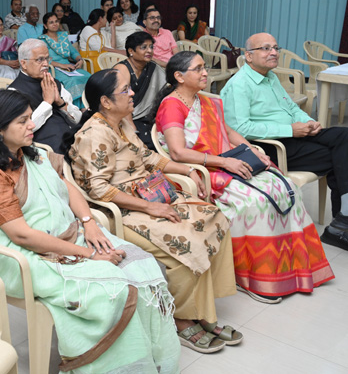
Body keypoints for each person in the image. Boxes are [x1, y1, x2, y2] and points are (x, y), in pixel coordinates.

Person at [0, 89, 180, 372]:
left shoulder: (30, 153)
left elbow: (66, 188)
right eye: (22, 121)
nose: (32, 125)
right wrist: (88, 254)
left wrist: (88, 223)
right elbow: (21, 235)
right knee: (111, 288)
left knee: (143, 268)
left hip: (65, 232)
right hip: (16, 252)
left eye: (30, 118)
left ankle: (149, 361)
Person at [68, 69, 239, 354]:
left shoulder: (122, 123)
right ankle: (182, 318)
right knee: (184, 241)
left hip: (148, 194)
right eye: (125, 90)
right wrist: (150, 207)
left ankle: (203, 309)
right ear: (106, 102)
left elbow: (148, 157)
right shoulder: (94, 133)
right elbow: (98, 189)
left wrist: (188, 169)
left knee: (215, 217)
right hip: (121, 209)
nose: (132, 93)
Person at [154, 52, 334, 301]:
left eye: (204, 67)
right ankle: (253, 277)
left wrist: (253, 151)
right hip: (201, 170)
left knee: (285, 186)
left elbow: (228, 131)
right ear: (179, 76)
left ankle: (293, 269)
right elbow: (177, 152)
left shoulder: (205, 100)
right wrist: (224, 161)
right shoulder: (172, 105)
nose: (205, 73)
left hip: (224, 162)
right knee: (253, 201)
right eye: (198, 69)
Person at [221, 32, 348, 251]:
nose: (273, 52)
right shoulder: (239, 85)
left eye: (275, 48)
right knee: (340, 157)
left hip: (293, 134)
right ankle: (341, 224)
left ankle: (342, 221)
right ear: (249, 56)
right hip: (271, 145)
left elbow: (290, 108)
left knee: (344, 137)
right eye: (266, 48)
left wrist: (309, 122)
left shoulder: (270, 77)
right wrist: (290, 130)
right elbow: (239, 129)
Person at [8, 39, 81, 154]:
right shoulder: (14, 91)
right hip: (46, 150)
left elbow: (78, 119)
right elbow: (22, 130)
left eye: (47, 59)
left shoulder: (55, 83)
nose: (46, 64)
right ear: (24, 63)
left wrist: (60, 103)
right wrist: (47, 102)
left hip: (72, 140)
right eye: (40, 60)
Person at [114, 31, 166, 148]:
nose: (149, 51)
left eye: (151, 47)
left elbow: (166, 89)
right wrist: (132, 128)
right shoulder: (123, 69)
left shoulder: (152, 68)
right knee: (149, 143)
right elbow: (121, 102)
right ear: (131, 51)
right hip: (124, 117)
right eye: (144, 47)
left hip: (147, 117)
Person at [38, 13, 90, 108]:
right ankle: (75, 108)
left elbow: (73, 52)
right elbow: (44, 59)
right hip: (53, 68)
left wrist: (80, 60)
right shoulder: (42, 40)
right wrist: (62, 66)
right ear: (45, 26)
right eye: (51, 22)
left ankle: (87, 106)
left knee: (88, 76)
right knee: (73, 80)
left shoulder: (63, 36)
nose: (55, 24)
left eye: (56, 21)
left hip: (69, 67)